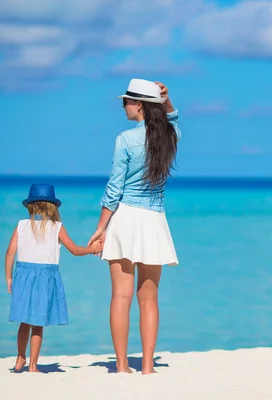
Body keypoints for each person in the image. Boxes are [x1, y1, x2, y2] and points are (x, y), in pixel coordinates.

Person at [87, 78, 180, 374]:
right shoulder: (170, 136)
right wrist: (165, 100)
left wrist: (101, 226)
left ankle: (123, 365)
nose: (123, 107)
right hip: (154, 220)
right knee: (149, 298)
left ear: (139, 104)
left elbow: (114, 189)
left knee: (121, 296)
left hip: (126, 218)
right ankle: (149, 366)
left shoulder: (125, 138)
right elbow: (174, 119)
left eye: (126, 101)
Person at [5, 183, 102, 373]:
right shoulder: (57, 227)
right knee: (38, 324)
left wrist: (9, 277)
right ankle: (33, 366)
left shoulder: (21, 225)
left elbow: (10, 253)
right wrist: (93, 249)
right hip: (45, 278)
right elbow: (74, 250)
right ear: (53, 206)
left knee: (24, 321)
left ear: (31, 205)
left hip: (23, 275)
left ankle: (20, 358)